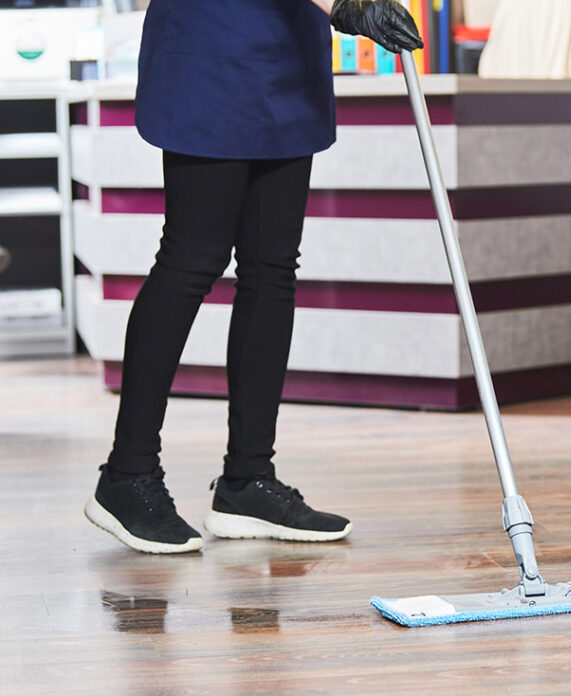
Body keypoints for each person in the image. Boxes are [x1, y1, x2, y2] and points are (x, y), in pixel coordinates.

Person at [83, 0, 423, 553]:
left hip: (286, 57)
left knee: (272, 271)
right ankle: (127, 475)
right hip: (214, 47)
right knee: (190, 261)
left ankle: (248, 480)